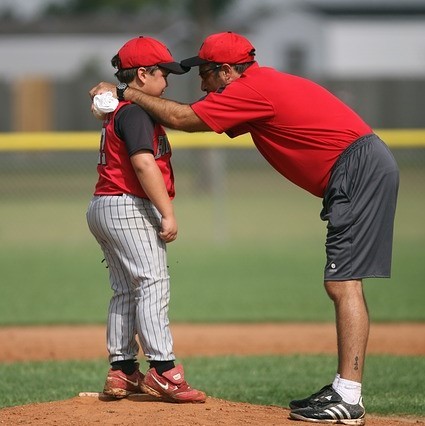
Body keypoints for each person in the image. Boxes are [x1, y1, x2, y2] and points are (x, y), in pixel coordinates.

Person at [90, 31, 399, 423]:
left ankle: (349, 395)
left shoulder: (251, 89)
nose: (201, 82)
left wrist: (126, 94)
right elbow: (192, 113)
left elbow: (185, 117)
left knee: (343, 282)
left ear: (226, 71)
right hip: (358, 168)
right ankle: (344, 388)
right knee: (342, 281)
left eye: (205, 73)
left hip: (358, 169)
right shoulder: (259, 85)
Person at [86, 35, 206, 403]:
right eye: (163, 74)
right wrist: (167, 212)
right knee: (153, 283)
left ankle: (122, 371)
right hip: (127, 205)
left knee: (126, 289)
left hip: (103, 205)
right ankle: (164, 370)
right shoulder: (136, 112)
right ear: (142, 74)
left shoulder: (122, 110)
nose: (167, 81)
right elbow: (142, 162)